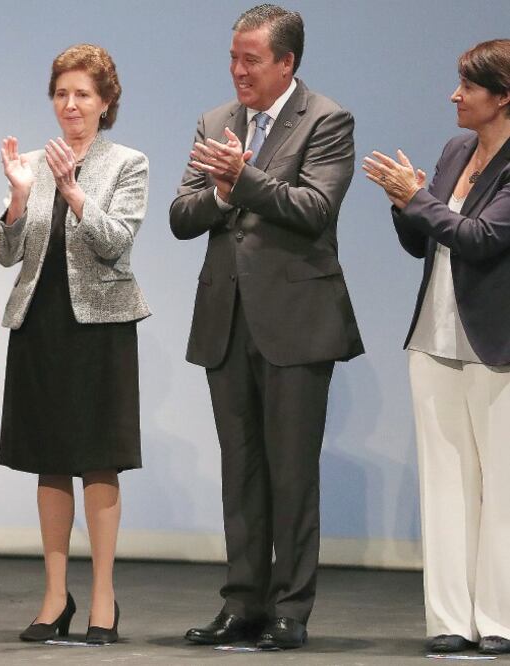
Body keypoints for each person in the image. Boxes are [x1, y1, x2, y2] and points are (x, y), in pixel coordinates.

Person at [170, 4, 363, 650]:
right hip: (226, 319)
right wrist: (221, 194)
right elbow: (181, 214)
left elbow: (313, 209)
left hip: (297, 320)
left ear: (286, 62)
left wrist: (240, 180)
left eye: (250, 59)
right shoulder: (214, 121)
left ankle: (289, 608)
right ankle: (242, 602)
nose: (236, 70)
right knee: (241, 469)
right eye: (232, 57)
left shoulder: (326, 120)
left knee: (290, 472)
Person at [0, 43, 150, 646]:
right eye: (61, 93)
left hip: (101, 325)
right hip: (41, 321)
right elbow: (6, 254)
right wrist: (15, 196)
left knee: (99, 457)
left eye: (83, 93)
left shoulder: (126, 162)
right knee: (49, 457)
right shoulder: (33, 162)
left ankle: (104, 598)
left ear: (105, 102)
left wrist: (72, 190)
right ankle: (55, 596)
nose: (71, 104)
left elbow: (115, 242)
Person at [363, 39, 510, 657]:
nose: (454, 95)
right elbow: (425, 241)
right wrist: (406, 203)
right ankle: (451, 620)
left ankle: (500, 620)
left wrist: (417, 198)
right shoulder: (456, 150)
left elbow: (480, 238)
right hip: (435, 338)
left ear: (502, 97)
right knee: (446, 485)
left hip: (496, 343)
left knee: (500, 487)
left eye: (467, 86)